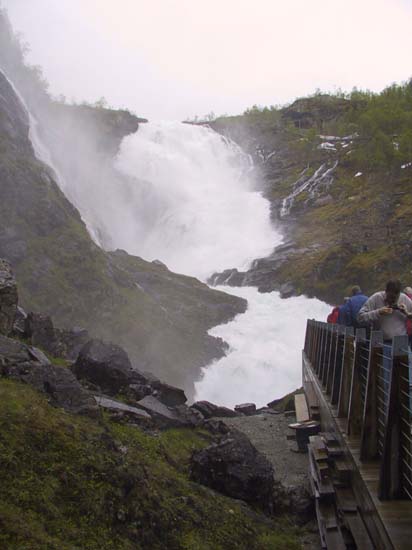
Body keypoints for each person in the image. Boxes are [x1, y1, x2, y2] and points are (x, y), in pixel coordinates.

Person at [357, 280, 412, 395]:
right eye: (390, 298)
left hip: (402, 345)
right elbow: (360, 317)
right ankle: (386, 409)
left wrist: (407, 313)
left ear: (399, 295)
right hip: (382, 345)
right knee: (385, 381)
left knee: (406, 381)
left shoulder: (405, 299)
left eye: (395, 298)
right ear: (385, 292)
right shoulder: (376, 298)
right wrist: (378, 312)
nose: (392, 301)